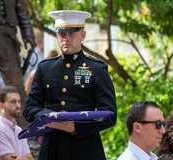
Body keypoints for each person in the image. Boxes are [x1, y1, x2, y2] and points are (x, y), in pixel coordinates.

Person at [23, 10, 117, 160]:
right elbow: (29, 109)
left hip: (85, 148)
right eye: (62, 34)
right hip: (52, 147)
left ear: (83, 35)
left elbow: (110, 115)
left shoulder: (97, 69)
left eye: (71, 34)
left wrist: (76, 128)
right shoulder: (44, 68)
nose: (66, 39)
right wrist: (49, 117)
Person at [0, 85, 33, 160]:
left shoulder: (19, 130)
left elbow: (30, 157)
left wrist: (23, 158)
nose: (18, 105)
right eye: (13, 102)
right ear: (0, 105)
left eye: (19, 101)